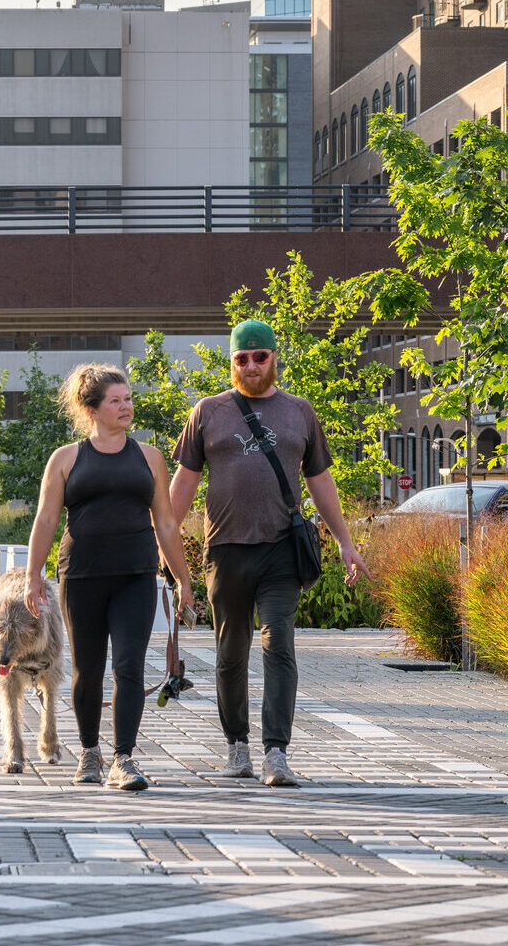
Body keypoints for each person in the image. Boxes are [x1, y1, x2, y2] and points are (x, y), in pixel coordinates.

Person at [169, 320, 368, 787]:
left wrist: (345, 541)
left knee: (278, 642)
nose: (252, 365)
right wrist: (162, 540)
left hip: (282, 548)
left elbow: (320, 483)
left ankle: (276, 753)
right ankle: (236, 745)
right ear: (231, 362)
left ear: (275, 357)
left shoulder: (300, 412)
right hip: (226, 551)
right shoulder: (207, 412)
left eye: (261, 356)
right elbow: (182, 485)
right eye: (243, 358)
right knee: (230, 652)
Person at [25, 363, 196, 791]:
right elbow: (46, 520)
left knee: (129, 667)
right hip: (81, 576)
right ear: (92, 409)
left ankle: (124, 759)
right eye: (115, 401)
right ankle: (88, 752)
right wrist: (32, 576)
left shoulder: (150, 457)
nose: (126, 407)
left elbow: (168, 525)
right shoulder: (65, 459)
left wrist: (183, 580)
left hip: (136, 576)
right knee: (87, 668)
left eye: (128, 398)